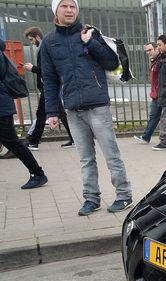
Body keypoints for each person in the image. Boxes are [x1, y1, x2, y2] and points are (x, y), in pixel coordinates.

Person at [40, 0, 132, 215]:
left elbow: (111, 62)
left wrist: (90, 42)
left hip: (98, 105)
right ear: (56, 11)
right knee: (85, 158)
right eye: (64, 6)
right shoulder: (48, 43)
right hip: (72, 109)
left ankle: (124, 195)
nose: (69, 10)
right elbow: (50, 79)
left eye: (73, 6)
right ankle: (91, 199)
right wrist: (52, 112)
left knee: (111, 154)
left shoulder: (89, 33)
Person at [0, 37, 48, 189]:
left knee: (12, 142)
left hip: (2, 106)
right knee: (11, 141)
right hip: (3, 104)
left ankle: (38, 173)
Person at [23, 26, 74, 150]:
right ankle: (74, 138)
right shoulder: (43, 47)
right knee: (60, 113)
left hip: (49, 86)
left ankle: (33, 141)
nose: (31, 42)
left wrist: (33, 68)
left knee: (41, 114)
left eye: (31, 39)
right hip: (50, 85)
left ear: (37, 37)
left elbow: (48, 70)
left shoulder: (44, 48)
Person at [133, 42, 166, 145]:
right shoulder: (155, 61)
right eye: (146, 50)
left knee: (158, 116)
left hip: (161, 94)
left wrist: (162, 92)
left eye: (150, 50)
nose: (148, 52)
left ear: (156, 49)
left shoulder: (161, 61)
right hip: (158, 94)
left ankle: (147, 137)